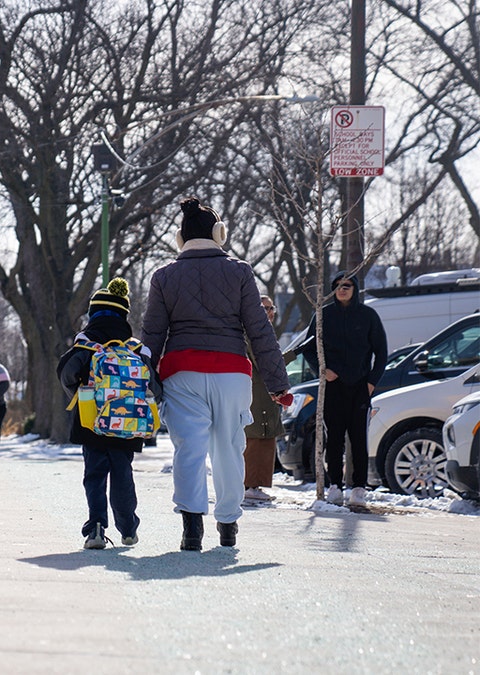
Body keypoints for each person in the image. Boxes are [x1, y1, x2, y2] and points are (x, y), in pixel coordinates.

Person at [142, 196, 289, 551]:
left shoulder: (164, 277)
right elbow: (259, 330)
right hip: (231, 372)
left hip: (181, 373)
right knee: (228, 447)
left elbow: (152, 336)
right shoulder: (239, 271)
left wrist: (146, 381)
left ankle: (192, 528)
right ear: (219, 233)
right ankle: (227, 523)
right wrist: (278, 383)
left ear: (181, 238)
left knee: (188, 450)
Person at [57, 278, 148, 549]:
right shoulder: (135, 348)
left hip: (92, 421)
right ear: (124, 314)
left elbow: (66, 375)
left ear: (93, 314)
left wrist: (81, 395)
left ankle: (96, 528)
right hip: (127, 421)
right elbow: (153, 383)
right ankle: (128, 527)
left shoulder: (85, 346)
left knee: (95, 474)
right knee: (123, 473)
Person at [295, 271, 387, 507]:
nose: (343, 289)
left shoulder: (368, 316)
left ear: (355, 289)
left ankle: (358, 488)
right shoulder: (323, 315)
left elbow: (382, 352)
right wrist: (322, 370)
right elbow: (308, 348)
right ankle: (334, 485)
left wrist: (371, 382)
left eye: (347, 285)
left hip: (360, 388)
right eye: (338, 285)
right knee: (333, 438)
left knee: (358, 440)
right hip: (333, 388)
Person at [243, 295, 283, 503]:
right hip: (258, 393)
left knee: (266, 438)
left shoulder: (265, 333)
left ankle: (255, 484)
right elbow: (264, 363)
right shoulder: (252, 334)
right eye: (263, 308)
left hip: (267, 393)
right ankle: (250, 484)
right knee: (257, 438)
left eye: (270, 308)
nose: (268, 312)